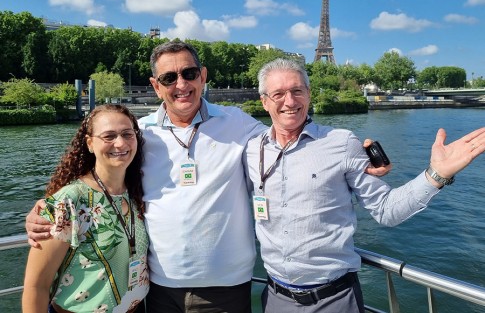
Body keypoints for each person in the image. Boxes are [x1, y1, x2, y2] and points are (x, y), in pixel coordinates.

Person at [25, 41, 388, 313]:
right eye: (169, 77)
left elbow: (288, 129)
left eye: (188, 73)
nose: (180, 84)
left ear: (203, 76)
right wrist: (47, 206)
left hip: (228, 287)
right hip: (159, 287)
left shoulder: (239, 123)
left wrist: (354, 155)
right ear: (155, 85)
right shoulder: (138, 133)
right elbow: (97, 175)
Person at [243, 58, 485, 313]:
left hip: (334, 300)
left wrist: (436, 174)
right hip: (274, 299)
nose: (290, 102)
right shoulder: (251, 149)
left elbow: (386, 210)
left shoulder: (341, 143)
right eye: (278, 94)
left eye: (297, 91)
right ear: (264, 101)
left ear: (309, 94)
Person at [22, 104, 149, 313]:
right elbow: (37, 285)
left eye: (128, 134)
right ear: (90, 143)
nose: (120, 143)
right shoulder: (69, 201)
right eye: (109, 136)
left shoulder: (136, 192)